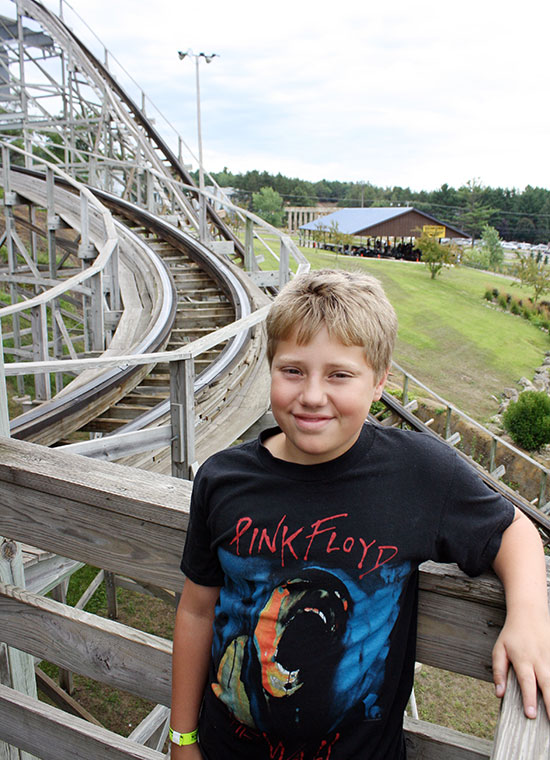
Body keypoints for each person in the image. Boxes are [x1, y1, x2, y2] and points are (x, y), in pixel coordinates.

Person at [170, 269, 550, 760]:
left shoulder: (418, 472)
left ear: (380, 381)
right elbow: (197, 609)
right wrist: (183, 738)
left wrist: (529, 617)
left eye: (339, 375)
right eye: (292, 370)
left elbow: (513, 532)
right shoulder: (223, 479)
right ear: (269, 367)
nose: (311, 395)